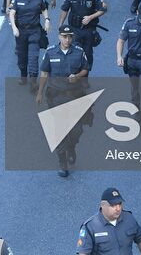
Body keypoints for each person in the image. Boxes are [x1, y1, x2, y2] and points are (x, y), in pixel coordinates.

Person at [36, 25, 89, 177]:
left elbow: (86, 68)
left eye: (70, 37)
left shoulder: (79, 52)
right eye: (65, 37)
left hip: (74, 96)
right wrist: (40, 92)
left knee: (76, 130)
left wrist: (77, 76)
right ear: (59, 37)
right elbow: (45, 72)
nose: (67, 39)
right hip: (56, 96)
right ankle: (62, 163)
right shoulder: (51, 52)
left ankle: (71, 146)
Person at [76, 188, 141, 254]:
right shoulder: (90, 227)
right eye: (113, 205)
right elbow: (83, 252)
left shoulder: (129, 218)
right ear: (102, 205)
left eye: (119, 204)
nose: (118, 209)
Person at [59, 0, 107, 72]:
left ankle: (85, 77)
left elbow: (103, 9)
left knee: (88, 53)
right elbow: (65, 9)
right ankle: (75, 75)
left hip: (88, 30)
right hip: (74, 29)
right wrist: (61, 25)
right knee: (74, 52)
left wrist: (91, 17)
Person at [8, 0, 50, 85]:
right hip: (21, 32)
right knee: (22, 57)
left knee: (33, 57)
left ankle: (33, 82)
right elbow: (12, 14)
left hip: (34, 31)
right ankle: (23, 76)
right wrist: (14, 28)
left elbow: (44, 9)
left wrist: (47, 20)